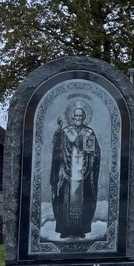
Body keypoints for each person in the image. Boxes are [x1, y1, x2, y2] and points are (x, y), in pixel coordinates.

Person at [50, 101, 102, 239]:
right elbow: (56, 146)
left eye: (81, 116)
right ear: (72, 118)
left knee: (84, 200)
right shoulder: (66, 131)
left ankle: (81, 229)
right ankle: (65, 229)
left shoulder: (88, 132)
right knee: (64, 199)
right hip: (67, 173)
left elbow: (94, 152)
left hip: (83, 174)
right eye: (76, 116)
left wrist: (92, 157)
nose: (78, 118)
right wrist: (58, 131)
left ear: (84, 117)